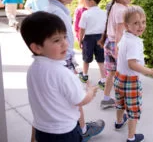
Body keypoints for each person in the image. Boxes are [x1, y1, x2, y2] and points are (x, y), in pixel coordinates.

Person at [20, 11, 100, 142]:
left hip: (42, 130)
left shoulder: (33, 69)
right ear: (37, 48)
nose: (65, 43)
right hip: (65, 132)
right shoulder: (62, 73)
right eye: (57, 40)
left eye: (64, 37)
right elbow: (80, 100)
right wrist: (90, 92)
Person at [46, 0, 104, 142]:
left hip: (62, 62)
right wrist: (69, 63)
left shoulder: (57, 8)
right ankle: (83, 130)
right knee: (75, 98)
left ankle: (82, 127)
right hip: (63, 62)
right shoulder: (56, 12)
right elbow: (58, 42)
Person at [114, 6, 153, 142]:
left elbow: (120, 51)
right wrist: (150, 71)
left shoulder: (126, 36)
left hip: (119, 78)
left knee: (120, 103)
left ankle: (118, 121)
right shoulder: (134, 42)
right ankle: (131, 137)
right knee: (133, 110)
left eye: (143, 21)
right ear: (126, 25)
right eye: (136, 23)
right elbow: (132, 64)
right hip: (131, 82)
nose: (141, 26)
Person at [98, 0, 133, 109]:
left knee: (111, 74)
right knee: (124, 75)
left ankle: (106, 99)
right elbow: (119, 33)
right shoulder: (122, 10)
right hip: (117, 45)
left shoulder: (115, 6)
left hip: (109, 43)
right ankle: (123, 104)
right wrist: (119, 50)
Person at [78, 0, 107, 89]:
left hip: (89, 38)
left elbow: (82, 29)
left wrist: (80, 40)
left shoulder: (86, 14)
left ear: (91, 2)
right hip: (101, 38)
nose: (84, 2)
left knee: (86, 58)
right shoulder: (104, 13)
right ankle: (103, 80)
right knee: (101, 60)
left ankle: (85, 75)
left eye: (85, 0)